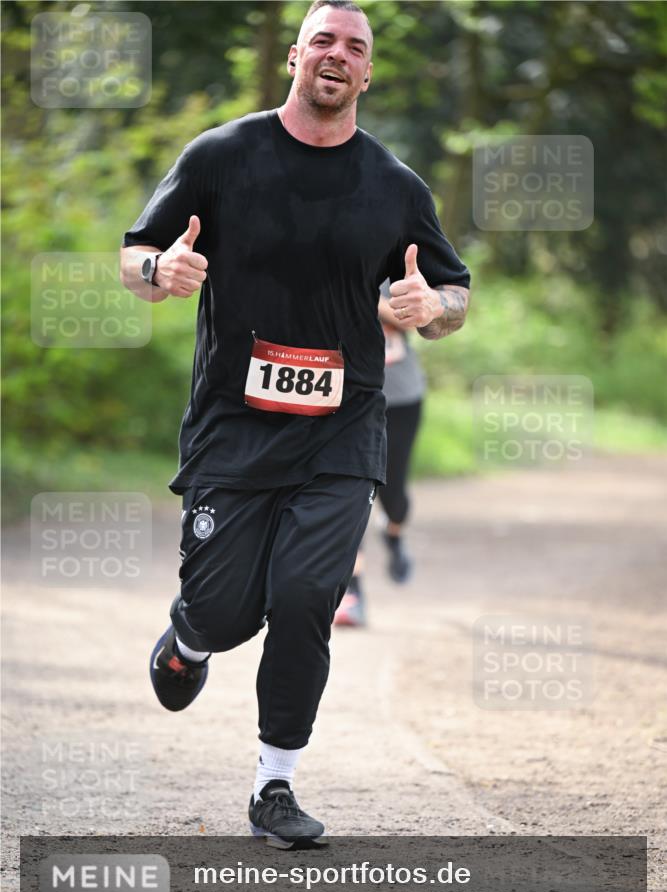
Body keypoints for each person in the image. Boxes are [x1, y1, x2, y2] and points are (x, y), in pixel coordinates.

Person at [120, 0, 470, 847]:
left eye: (355, 46)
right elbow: (133, 255)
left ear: (367, 72)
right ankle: (192, 637)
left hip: (343, 427)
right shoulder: (221, 155)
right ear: (293, 56)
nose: (337, 55)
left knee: (308, 595)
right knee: (227, 609)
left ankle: (274, 785)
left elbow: (454, 293)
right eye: (324, 39)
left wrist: (434, 307)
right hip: (233, 427)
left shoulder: (394, 186)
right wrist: (161, 268)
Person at [334, 279, 425, 627]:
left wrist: (365, 298)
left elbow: (418, 320)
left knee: (394, 494)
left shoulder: (397, 260)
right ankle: (352, 594)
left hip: (400, 397)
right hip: (346, 396)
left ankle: (394, 533)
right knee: (350, 494)